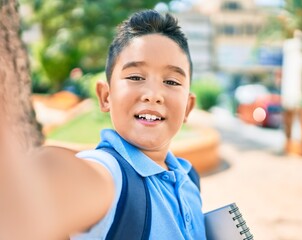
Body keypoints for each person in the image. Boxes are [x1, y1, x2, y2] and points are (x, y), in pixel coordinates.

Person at [0, 9, 206, 240]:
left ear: (188, 107)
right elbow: (47, 184)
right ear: (106, 96)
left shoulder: (189, 179)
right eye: (136, 77)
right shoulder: (111, 176)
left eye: (171, 81)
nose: (153, 94)